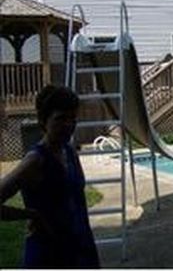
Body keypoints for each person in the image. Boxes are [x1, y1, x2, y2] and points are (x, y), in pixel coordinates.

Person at [0, 85, 100, 268]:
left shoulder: (69, 151)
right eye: (60, 118)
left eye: (72, 118)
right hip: (48, 255)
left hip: (80, 249)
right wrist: (32, 215)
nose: (68, 125)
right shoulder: (35, 160)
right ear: (43, 120)